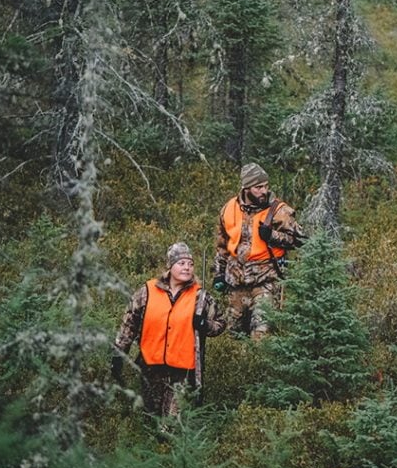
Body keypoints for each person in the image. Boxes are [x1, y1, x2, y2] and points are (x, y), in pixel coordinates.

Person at [111, 242, 224, 419]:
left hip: (182, 372)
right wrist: (119, 352)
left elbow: (220, 324)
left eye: (190, 264)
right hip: (150, 367)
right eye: (181, 263)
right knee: (151, 417)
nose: (187, 267)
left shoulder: (200, 297)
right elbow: (129, 323)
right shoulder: (147, 292)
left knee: (171, 423)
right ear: (170, 266)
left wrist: (204, 325)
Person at [212, 162, 305, 340]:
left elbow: (298, 240)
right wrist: (219, 274)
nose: (263, 191)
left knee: (262, 336)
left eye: (265, 186)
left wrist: (272, 236)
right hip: (236, 283)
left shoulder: (279, 210)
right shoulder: (228, 209)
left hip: (266, 282)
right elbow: (222, 246)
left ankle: (261, 367)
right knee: (233, 336)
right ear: (246, 188)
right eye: (258, 187)